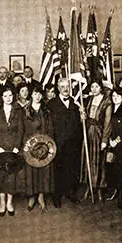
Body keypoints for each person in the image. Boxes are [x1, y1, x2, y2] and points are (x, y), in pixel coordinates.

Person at [0, 87, 25, 216]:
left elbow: (21, 131)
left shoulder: (18, 112)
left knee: (11, 177)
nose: (8, 98)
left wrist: (16, 147)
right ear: (1, 98)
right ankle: (2, 202)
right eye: (5, 96)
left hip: (13, 149)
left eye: (10, 96)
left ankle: (9, 202)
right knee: (0, 177)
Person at [46, 78, 83, 208]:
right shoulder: (51, 104)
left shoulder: (75, 103)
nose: (65, 89)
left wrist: (82, 117)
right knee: (58, 170)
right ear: (58, 88)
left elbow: (78, 124)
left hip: (73, 143)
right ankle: (57, 196)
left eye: (67, 86)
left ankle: (69, 192)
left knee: (71, 168)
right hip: (58, 142)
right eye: (62, 86)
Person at [23, 86, 55, 211]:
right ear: (31, 95)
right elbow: (23, 129)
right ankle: (32, 197)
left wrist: (49, 145)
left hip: (44, 146)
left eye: (39, 94)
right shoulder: (25, 111)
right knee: (31, 172)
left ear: (42, 96)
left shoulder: (46, 111)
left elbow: (50, 129)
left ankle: (41, 197)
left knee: (43, 171)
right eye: (35, 94)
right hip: (30, 146)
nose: (37, 96)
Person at [80, 79, 112, 202]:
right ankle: (89, 187)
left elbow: (107, 122)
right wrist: (82, 116)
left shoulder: (106, 102)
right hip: (88, 133)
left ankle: (99, 188)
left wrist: (104, 140)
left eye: (96, 87)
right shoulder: (88, 100)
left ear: (101, 88)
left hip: (99, 133)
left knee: (99, 161)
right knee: (88, 160)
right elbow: (84, 118)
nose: (94, 89)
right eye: (92, 86)